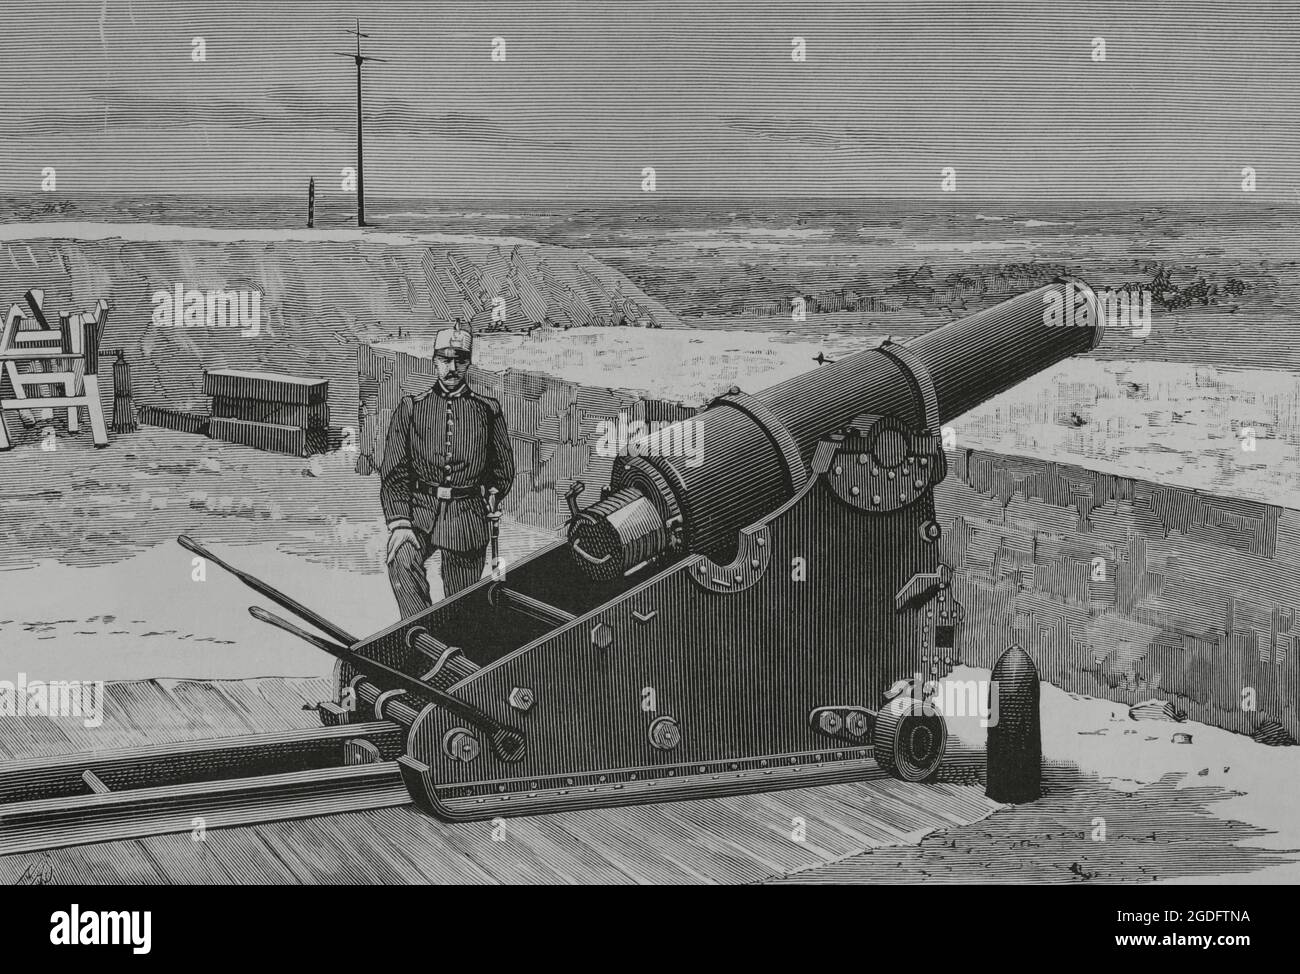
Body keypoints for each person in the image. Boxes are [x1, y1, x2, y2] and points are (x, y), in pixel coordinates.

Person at [380, 325, 514, 618]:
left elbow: (502, 469)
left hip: (466, 517)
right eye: (445, 359)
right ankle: (420, 629)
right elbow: (394, 470)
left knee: (461, 604)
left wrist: (492, 493)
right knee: (400, 559)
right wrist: (400, 523)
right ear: (434, 361)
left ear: (468, 363)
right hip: (420, 512)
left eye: (460, 360)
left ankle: (455, 641)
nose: (452, 368)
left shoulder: (487, 410)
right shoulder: (412, 408)